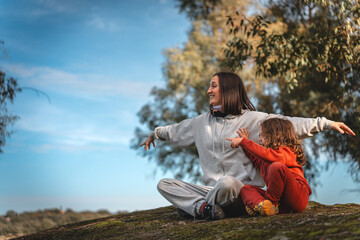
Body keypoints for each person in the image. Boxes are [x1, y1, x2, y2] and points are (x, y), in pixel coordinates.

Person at [140, 72, 355, 220]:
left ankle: (193, 208)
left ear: (228, 89)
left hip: (240, 192)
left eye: (213, 86)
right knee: (164, 184)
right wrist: (154, 134)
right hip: (212, 192)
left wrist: (325, 123)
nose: (208, 91)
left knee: (227, 183)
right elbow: (174, 131)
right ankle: (204, 209)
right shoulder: (199, 123)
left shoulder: (253, 120)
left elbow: (288, 123)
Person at [226, 118, 311, 216]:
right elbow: (256, 158)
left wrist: (244, 142)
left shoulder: (287, 152)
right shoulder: (266, 158)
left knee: (276, 167)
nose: (259, 139)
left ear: (274, 135)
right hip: (282, 204)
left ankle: (270, 204)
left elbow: (268, 155)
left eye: (262, 135)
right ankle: (262, 205)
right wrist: (245, 144)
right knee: (246, 189)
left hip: (297, 197)